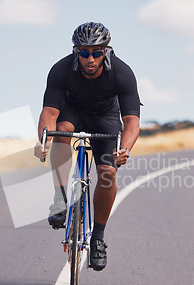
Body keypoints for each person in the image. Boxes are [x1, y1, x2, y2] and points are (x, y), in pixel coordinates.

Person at [35, 22, 141, 271]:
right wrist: (43, 140)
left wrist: (124, 148)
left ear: (106, 51)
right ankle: (60, 200)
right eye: (83, 52)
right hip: (73, 111)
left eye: (95, 52)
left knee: (108, 172)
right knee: (62, 133)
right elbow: (49, 112)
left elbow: (131, 121)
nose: (89, 58)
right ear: (76, 52)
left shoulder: (122, 72)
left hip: (105, 115)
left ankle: (98, 239)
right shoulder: (61, 70)